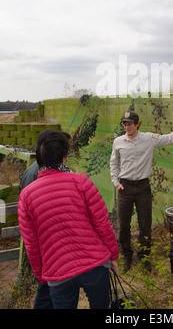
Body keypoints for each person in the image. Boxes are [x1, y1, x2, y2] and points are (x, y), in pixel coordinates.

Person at [18, 129, 119, 309]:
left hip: (57, 273)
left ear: (39, 158)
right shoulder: (81, 182)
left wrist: (41, 275)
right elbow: (102, 223)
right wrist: (113, 255)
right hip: (94, 264)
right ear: (65, 156)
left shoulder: (26, 196)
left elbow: (31, 243)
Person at [110, 110, 173, 272]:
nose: (127, 127)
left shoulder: (149, 138)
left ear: (137, 124)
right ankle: (127, 256)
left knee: (145, 225)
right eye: (124, 124)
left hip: (142, 188)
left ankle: (144, 257)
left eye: (130, 124)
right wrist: (115, 182)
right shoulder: (118, 141)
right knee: (123, 226)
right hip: (124, 188)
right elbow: (113, 162)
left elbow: (171, 137)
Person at [19, 131, 71, 310]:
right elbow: (28, 211)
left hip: (52, 242)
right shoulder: (34, 174)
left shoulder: (52, 171)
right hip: (45, 241)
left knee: (50, 286)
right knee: (47, 288)